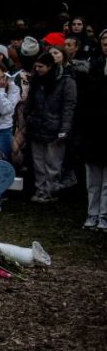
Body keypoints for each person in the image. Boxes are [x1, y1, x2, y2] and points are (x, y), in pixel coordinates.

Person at [25, 52, 77, 202]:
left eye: (41, 67)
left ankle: (51, 190)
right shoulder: (36, 81)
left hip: (55, 128)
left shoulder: (66, 81)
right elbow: (30, 101)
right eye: (36, 67)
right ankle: (40, 189)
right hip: (37, 126)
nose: (38, 69)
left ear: (49, 66)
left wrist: (65, 129)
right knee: (38, 162)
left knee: (53, 163)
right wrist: (28, 116)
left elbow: (69, 106)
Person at [76, 30, 107, 230]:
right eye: (104, 40)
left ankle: (104, 215)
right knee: (93, 179)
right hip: (93, 130)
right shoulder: (92, 66)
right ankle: (92, 213)